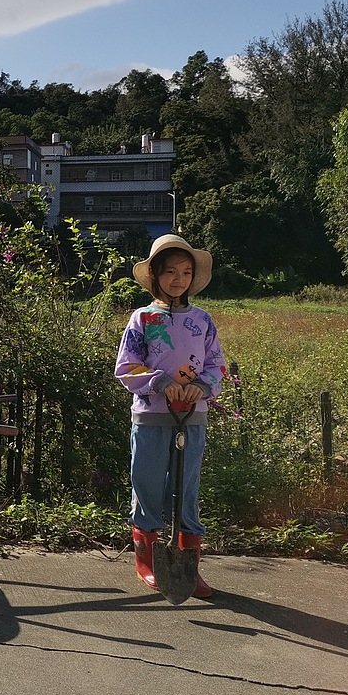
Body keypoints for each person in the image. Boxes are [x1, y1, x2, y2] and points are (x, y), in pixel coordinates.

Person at [115, 233, 226, 598]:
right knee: (146, 484)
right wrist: (160, 383)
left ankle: (188, 567)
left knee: (186, 489)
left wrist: (203, 387)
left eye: (186, 272)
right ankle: (147, 561)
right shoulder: (143, 319)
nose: (178, 279)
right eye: (170, 272)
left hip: (191, 418)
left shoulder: (203, 320)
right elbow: (126, 367)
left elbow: (216, 365)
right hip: (151, 417)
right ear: (155, 275)